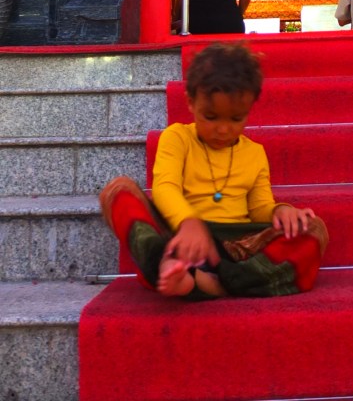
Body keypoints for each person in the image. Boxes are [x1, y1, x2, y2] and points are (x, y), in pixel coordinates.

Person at [99, 43, 328, 301]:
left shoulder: (254, 153)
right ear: (190, 102)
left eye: (236, 119)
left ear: (249, 109)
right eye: (211, 117)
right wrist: (188, 223)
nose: (223, 129)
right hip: (179, 239)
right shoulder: (176, 138)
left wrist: (280, 212)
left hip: (235, 248)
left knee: (314, 229)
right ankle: (170, 266)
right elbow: (165, 187)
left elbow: (259, 208)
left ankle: (212, 284)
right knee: (117, 190)